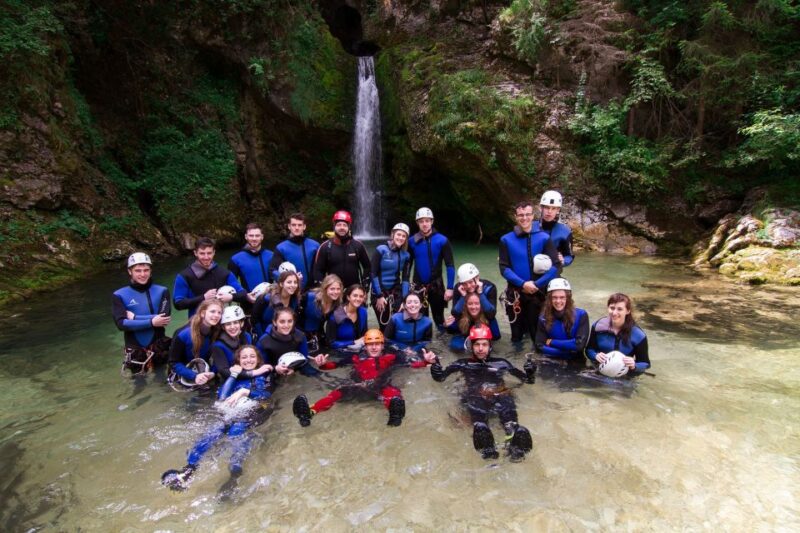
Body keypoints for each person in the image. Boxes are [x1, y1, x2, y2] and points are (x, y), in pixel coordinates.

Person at [161, 345, 276, 491]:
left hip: (255, 410)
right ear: (238, 361)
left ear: (258, 359)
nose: (248, 360)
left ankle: (234, 476)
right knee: (215, 430)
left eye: (252, 356)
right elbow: (222, 398)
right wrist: (234, 375)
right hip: (232, 411)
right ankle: (189, 469)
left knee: (237, 431)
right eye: (244, 357)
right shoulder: (233, 377)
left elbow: (266, 396)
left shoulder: (265, 374)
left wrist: (245, 392)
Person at [430, 324, 536, 461]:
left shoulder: (502, 363)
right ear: (471, 346)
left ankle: (512, 436)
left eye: (484, 345)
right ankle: (485, 441)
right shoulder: (462, 363)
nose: (480, 348)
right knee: (475, 400)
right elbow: (441, 378)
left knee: (506, 398)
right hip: (476, 398)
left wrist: (531, 372)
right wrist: (435, 366)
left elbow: (526, 380)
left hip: (499, 396)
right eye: (477, 345)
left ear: (490, 346)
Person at [292, 329, 436, 428]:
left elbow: (413, 365)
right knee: (335, 393)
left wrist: (426, 361)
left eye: (377, 344)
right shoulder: (355, 357)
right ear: (365, 346)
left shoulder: (393, 357)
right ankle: (309, 413)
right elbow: (334, 365)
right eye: (370, 344)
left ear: (382, 345)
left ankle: (394, 417)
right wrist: (322, 364)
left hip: (380, 386)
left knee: (394, 395)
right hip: (358, 386)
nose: (374, 347)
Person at [498, 200, 560, 344]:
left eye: (527, 215)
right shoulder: (506, 240)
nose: (524, 218)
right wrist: (523, 284)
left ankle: (536, 362)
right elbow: (504, 268)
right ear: (515, 217)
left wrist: (537, 284)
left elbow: (556, 266)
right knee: (516, 335)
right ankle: (516, 361)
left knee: (536, 333)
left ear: (533, 216)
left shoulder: (544, 238)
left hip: (537, 294)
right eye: (520, 215)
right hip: (515, 294)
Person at [112, 252, 172, 375]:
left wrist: (135, 317)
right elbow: (121, 324)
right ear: (130, 271)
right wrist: (152, 321)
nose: (143, 274)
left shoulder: (162, 291)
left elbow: (163, 319)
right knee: (138, 384)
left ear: (151, 271)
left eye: (146, 270)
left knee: (161, 378)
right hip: (134, 346)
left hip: (158, 344)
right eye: (138, 271)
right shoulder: (119, 295)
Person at [173, 237, 246, 318]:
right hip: (197, 324)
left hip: (221, 322)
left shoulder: (225, 273)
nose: (206, 257)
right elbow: (178, 304)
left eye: (209, 253)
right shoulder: (184, 276)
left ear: (214, 252)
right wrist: (203, 297)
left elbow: (243, 294)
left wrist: (231, 297)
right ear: (195, 253)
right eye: (202, 253)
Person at [408, 207, 455, 327]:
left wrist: (450, 288)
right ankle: (424, 344)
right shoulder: (411, 242)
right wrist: (405, 287)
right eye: (421, 221)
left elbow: (450, 265)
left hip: (436, 286)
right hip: (418, 286)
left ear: (432, 221)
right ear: (417, 223)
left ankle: (442, 344)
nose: (424, 224)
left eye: (427, 221)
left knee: (439, 319)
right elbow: (407, 265)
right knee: (420, 320)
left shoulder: (442, 240)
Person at [586, 293, 650, 375]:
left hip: (624, 375)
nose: (614, 313)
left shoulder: (638, 335)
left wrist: (634, 365)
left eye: (619, 309)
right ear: (608, 308)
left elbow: (645, 363)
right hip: (598, 370)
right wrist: (595, 355)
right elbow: (588, 350)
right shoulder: (598, 326)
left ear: (627, 311)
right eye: (612, 308)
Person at [167, 299, 223, 388]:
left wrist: (213, 372)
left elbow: (220, 356)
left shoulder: (217, 331)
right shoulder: (183, 334)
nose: (216, 315)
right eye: (212, 311)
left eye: (219, 313)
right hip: (183, 374)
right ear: (202, 313)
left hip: (204, 372)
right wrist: (194, 376)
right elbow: (173, 362)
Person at [256, 307, 325, 377]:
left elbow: (304, 359)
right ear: (274, 322)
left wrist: (316, 360)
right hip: (274, 371)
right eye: (282, 322)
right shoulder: (264, 342)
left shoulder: (300, 336)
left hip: (297, 366)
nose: (286, 325)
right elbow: (260, 367)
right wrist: (275, 369)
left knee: (321, 377)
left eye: (290, 321)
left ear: (293, 322)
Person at [534, 278, 589, 363]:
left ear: (568, 298)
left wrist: (551, 342)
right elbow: (539, 345)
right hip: (551, 359)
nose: (558, 301)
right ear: (549, 299)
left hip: (575, 360)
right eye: (554, 298)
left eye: (562, 297)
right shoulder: (543, 318)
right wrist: (566, 351)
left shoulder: (581, 315)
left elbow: (579, 345)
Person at [313, 210, 371, 289]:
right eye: (339, 225)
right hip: (333, 291)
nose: (342, 228)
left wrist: (365, 283)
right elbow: (318, 271)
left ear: (348, 227)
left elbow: (368, 266)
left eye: (344, 225)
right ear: (334, 226)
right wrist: (322, 289)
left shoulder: (357, 246)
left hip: (353, 292)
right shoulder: (325, 247)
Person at [370, 223, 411, 330]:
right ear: (392, 234)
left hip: (396, 292)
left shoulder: (406, 255)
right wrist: (379, 295)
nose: (401, 238)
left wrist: (404, 300)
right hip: (379, 292)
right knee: (384, 327)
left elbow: (406, 279)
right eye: (398, 234)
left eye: (404, 236)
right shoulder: (381, 249)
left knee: (400, 323)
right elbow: (373, 273)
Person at [269, 213, 320, 292]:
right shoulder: (281, 248)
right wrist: (287, 279)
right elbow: (272, 270)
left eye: (299, 225)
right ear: (289, 226)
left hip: (313, 290)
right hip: (291, 291)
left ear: (304, 227)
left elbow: (324, 268)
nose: (297, 228)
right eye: (294, 225)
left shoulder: (315, 246)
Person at [227, 223, 274, 301]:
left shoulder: (271, 255)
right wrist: (244, 296)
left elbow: (280, 278)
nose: (254, 238)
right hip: (248, 302)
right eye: (251, 235)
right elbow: (231, 283)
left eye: (257, 235)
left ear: (262, 237)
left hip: (271, 301)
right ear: (246, 236)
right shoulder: (235, 259)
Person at [449, 262, 499, 336]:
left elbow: (491, 314)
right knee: (451, 334)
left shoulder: (489, 287)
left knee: (496, 337)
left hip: (485, 319)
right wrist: (463, 296)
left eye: (470, 282)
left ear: (477, 278)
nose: (468, 286)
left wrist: (481, 293)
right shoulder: (458, 288)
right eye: (464, 283)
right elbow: (455, 314)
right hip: (465, 319)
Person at [211, 305, 258, 380]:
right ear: (223, 327)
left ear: (241, 323)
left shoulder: (247, 336)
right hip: (232, 379)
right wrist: (253, 373)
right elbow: (224, 372)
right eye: (228, 324)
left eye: (235, 322)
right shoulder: (218, 346)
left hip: (249, 375)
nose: (232, 327)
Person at [301, 274, 343, 354]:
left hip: (318, 335)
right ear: (325, 289)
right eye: (332, 289)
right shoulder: (310, 297)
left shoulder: (336, 304)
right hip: (301, 333)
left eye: (338, 289)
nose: (335, 292)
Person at [251, 270, 301, 337]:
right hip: (264, 336)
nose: (293, 285)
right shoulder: (265, 299)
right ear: (281, 284)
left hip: (286, 337)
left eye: (295, 282)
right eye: (289, 282)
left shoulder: (295, 300)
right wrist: (262, 337)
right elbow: (254, 319)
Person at [533, 191, 574, 267]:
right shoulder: (530, 227)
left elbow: (569, 256)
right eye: (547, 207)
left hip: (552, 271)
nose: (549, 212)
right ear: (541, 208)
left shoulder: (565, 231)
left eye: (553, 208)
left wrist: (563, 260)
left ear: (558, 210)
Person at [325, 284, 369, 351]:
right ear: (348, 297)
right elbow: (330, 343)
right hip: (340, 352)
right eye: (355, 296)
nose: (358, 299)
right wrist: (353, 342)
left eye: (361, 296)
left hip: (359, 349)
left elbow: (364, 335)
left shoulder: (363, 312)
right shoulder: (335, 316)